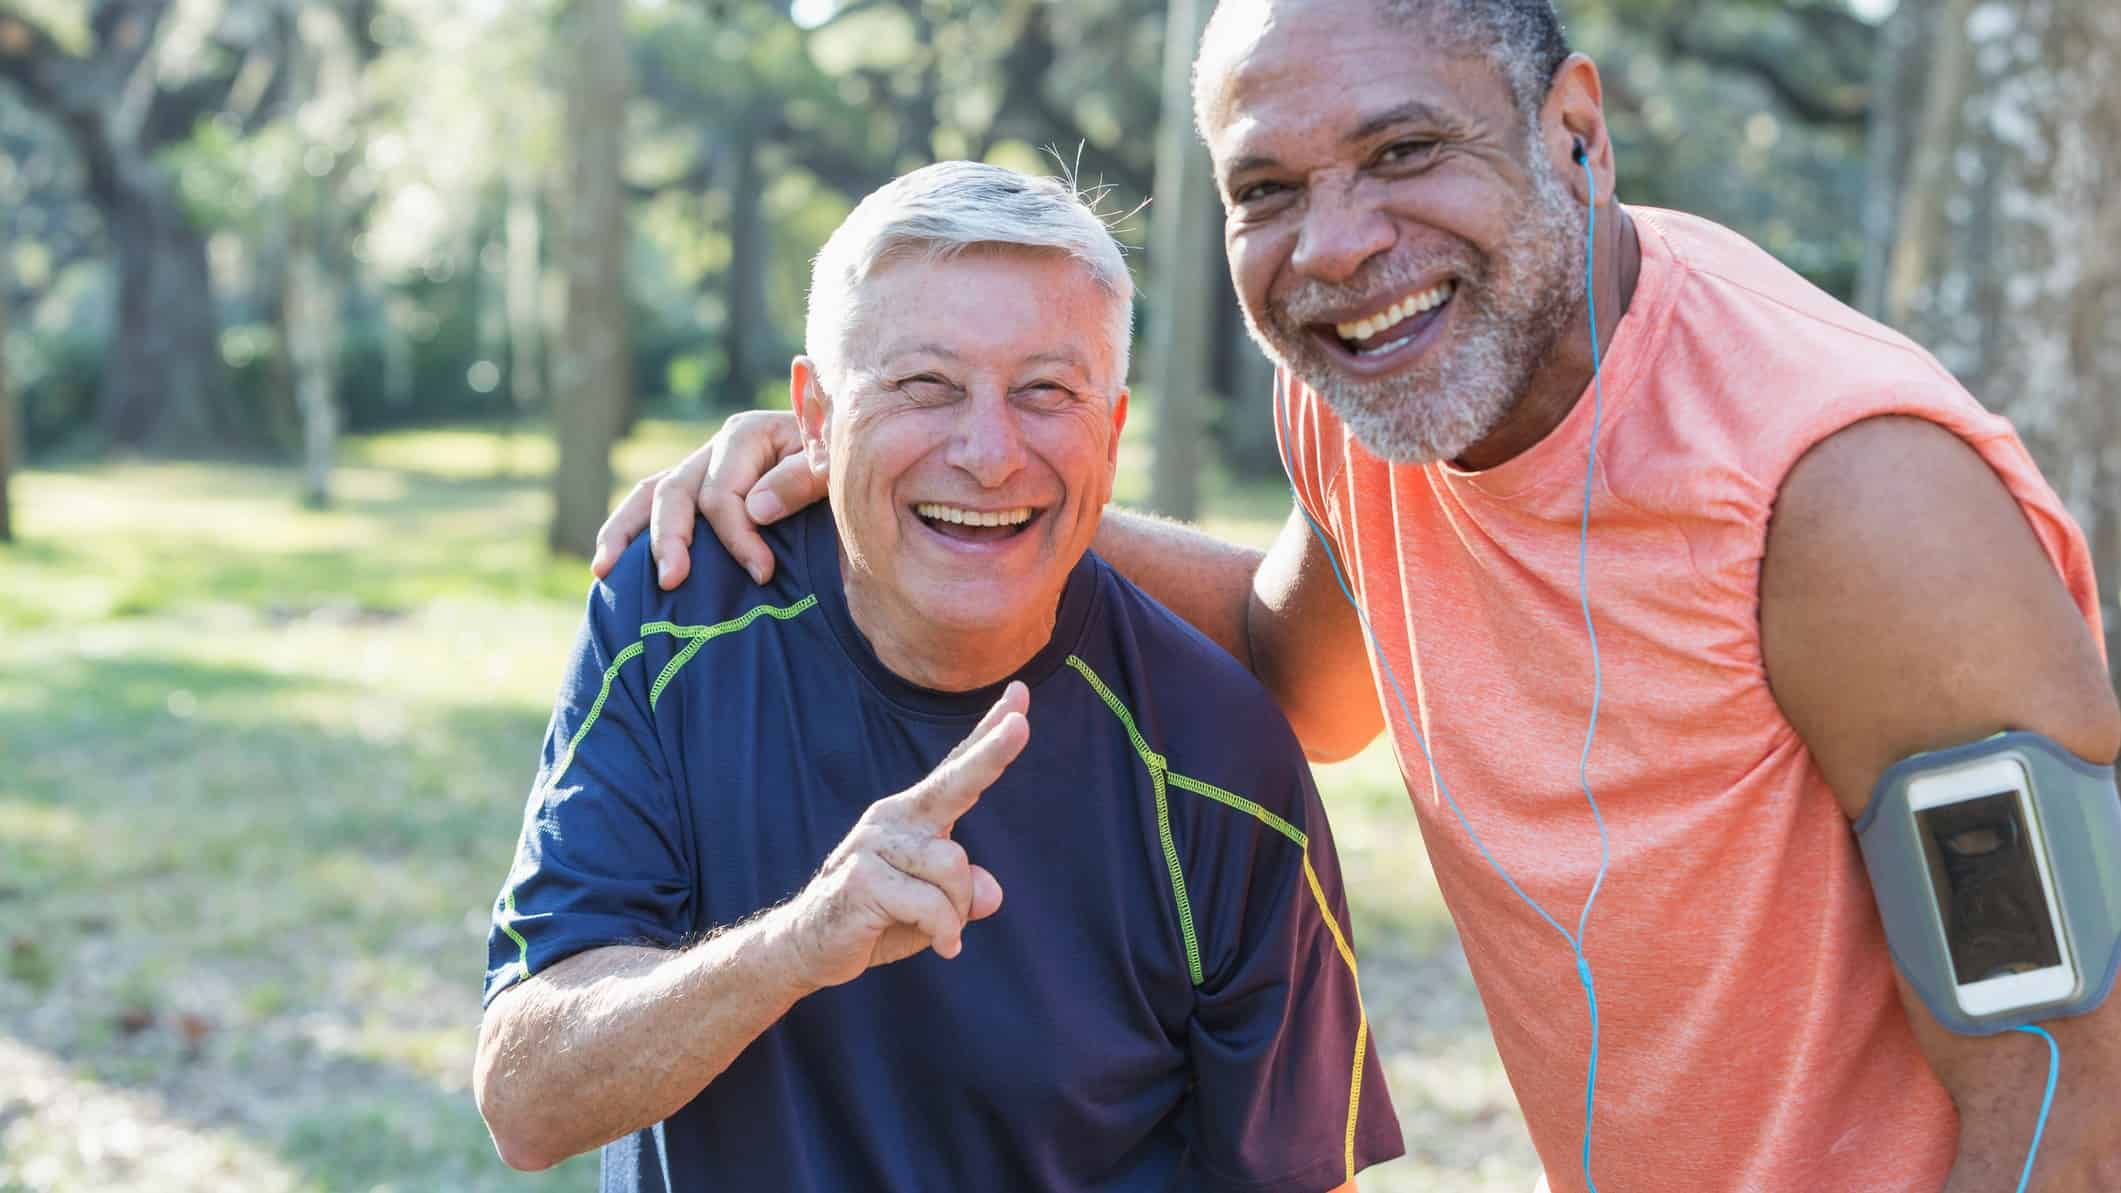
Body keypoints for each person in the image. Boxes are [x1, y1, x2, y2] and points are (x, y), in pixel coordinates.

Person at [596, 2, 2121, 1191]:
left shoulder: (1849, 499)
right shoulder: (1378, 401)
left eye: (1404, 152)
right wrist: (943, 482)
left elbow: (2063, 1071)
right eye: (1268, 187)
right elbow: (1299, 672)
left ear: (1574, 131)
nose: (1335, 246)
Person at [474, 160, 1403, 1192]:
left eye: (1046, 391)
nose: (989, 451)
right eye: (926, 384)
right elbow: (526, 1099)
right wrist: (794, 946)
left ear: (1115, 425)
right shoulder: (680, 611)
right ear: (813, 414)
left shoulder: (1222, 754)